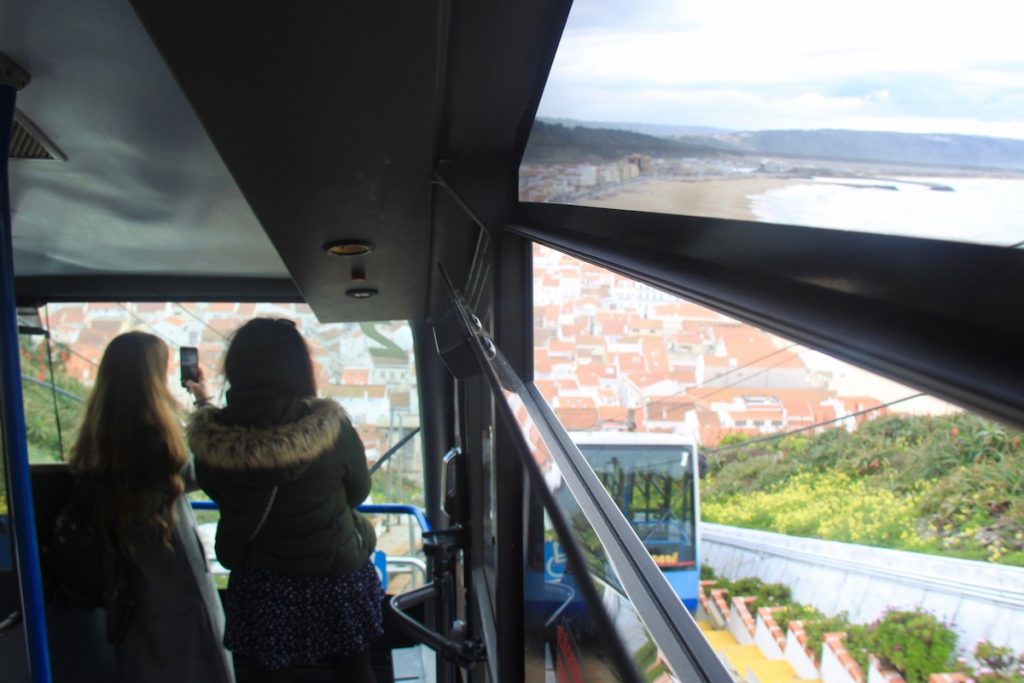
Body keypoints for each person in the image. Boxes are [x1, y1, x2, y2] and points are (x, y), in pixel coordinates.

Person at [186, 318, 382, 683]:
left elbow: (218, 492)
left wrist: (203, 403)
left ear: (236, 366)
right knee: (355, 670)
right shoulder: (330, 427)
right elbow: (358, 492)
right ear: (298, 367)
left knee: (268, 676)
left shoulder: (214, 439)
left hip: (264, 584)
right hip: (335, 573)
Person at [67, 331, 235, 683]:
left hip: (122, 561)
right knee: (194, 653)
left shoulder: (98, 434)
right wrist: (204, 404)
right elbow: (208, 467)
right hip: (169, 556)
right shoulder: (156, 436)